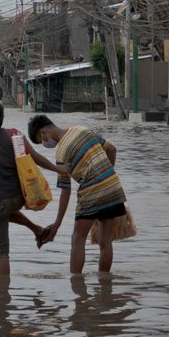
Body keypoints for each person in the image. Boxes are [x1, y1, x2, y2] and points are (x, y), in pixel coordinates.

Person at [0, 100, 65, 275]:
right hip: (19, 198)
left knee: (0, 254)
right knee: (3, 210)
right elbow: (35, 158)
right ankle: (37, 230)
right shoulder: (15, 136)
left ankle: (2, 298)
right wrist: (57, 169)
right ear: (2, 118)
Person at [28, 114, 130, 275]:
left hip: (90, 194)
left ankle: (76, 286)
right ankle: (104, 285)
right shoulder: (83, 130)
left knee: (78, 239)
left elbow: (65, 191)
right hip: (114, 187)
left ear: (43, 133)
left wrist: (57, 224)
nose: (46, 144)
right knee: (105, 242)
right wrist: (106, 175)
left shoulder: (61, 154)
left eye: (42, 141)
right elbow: (112, 149)